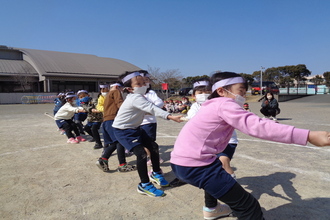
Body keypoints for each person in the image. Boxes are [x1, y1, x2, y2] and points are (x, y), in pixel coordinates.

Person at [170, 71, 330, 220]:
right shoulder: (224, 104)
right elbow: (258, 126)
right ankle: (214, 208)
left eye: (245, 91)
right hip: (197, 166)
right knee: (249, 207)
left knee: (221, 177)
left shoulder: (211, 105)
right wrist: (308, 135)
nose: (244, 95)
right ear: (221, 91)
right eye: (240, 90)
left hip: (182, 163)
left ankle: (212, 208)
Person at [112, 71, 182, 197]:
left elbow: (148, 110)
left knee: (153, 147)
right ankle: (144, 185)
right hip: (123, 130)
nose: (143, 85)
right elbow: (152, 108)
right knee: (141, 153)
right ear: (129, 88)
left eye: (144, 82)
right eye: (138, 84)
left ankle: (156, 173)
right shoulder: (135, 98)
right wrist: (170, 116)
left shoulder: (140, 97)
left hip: (135, 128)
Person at [95, 82, 136, 172]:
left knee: (114, 143)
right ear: (117, 87)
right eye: (122, 88)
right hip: (113, 120)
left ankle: (104, 159)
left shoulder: (107, 95)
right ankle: (122, 164)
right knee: (120, 141)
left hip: (106, 121)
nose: (122, 91)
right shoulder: (116, 92)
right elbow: (120, 103)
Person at [138, 70, 164, 167]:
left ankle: (155, 158)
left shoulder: (151, 93)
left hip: (148, 122)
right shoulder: (134, 94)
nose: (145, 82)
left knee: (148, 142)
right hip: (137, 123)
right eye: (142, 80)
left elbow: (160, 103)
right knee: (142, 143)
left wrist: (151, 109)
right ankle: (152, 157)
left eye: (147, 80)